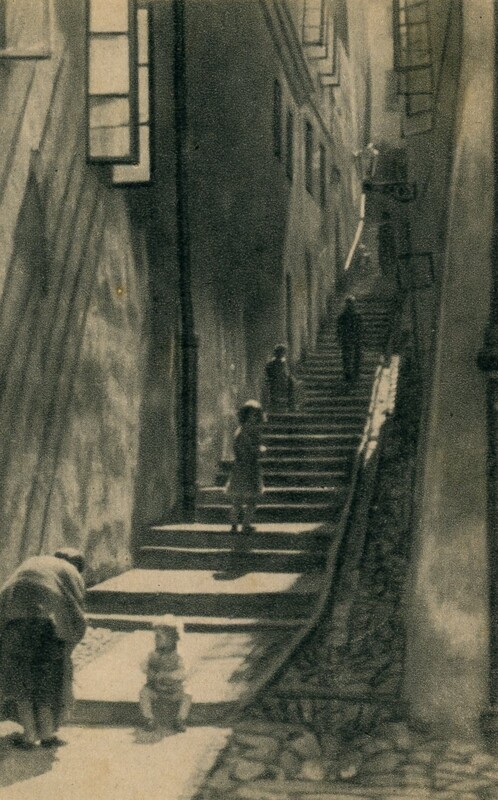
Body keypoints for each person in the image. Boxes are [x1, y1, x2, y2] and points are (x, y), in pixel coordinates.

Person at [0, 548, 86, 749]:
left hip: (15, 627)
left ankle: (29, 735)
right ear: (78, 566)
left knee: (22, 683)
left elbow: (5, 595)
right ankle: (47, 735)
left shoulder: (34, 562)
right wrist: (68, 645)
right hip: (47, 626)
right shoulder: (71, 572)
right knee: (45, 682)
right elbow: (76, 612)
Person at [139, 615, 192, 732]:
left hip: (173, 690)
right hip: (156, 690)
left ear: (172, 639)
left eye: (159, 637)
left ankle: (180, 719)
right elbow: (143, 666)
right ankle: (149, 719)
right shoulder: (153, 654)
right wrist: (149, 670)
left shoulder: (178, 656)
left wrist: (169, 675)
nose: (156, 640)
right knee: (144, 693)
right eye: (155, 637)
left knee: (187, 694)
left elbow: (184, 672)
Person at [226, 399, 265, 534]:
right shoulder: (244, 432)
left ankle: (238, 524)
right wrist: (260, 450)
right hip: (246, 467)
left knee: (243, 499)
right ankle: (241, 524)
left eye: (256, 415)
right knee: (247, 499)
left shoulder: (246, 430)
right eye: (251, 415)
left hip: (245, 467)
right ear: (246, 415)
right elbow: (247, 449)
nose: (254, 418)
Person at [337, 296, 363, 386]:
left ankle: (356, 374)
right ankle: (347, 375)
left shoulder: (357, 315)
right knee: (346, 357)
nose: (350, 305)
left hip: (356, 339)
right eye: (349, 303)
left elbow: (361, 328)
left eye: (351, 303)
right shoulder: (342, 316)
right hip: (346, 339)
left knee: (356, 357)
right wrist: (340, 338)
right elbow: (339, 328)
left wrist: (360, 338)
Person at [264, 345, 297, 412]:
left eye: (283, 353)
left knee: (292, 385)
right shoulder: (271, 363)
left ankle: (291, 406)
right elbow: (268, 373)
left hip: (284, 381)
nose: (282, 354)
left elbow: (287, 373)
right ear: (276, 353)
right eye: (280, 352)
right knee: (277, 392)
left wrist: (291, 378)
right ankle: (278, 408)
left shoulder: (284, 363)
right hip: (276, 382)